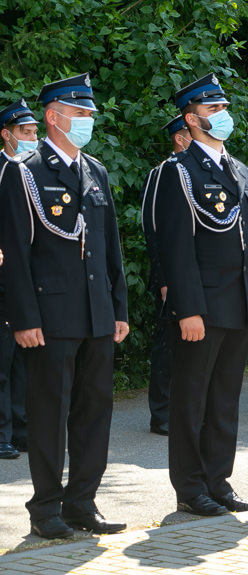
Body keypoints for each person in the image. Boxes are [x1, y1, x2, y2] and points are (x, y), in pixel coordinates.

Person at [0, 73, 129, 538]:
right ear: (53, 117)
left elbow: (110, 248)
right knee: (50, 414)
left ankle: (82, 504)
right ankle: (46, 509)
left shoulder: (95, 171)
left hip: (96, 314)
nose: (88, 121)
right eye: (80, 113)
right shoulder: (25, 171)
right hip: (49, 317)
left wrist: (119, 309)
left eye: (90, 114)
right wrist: (23, 318)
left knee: (95, 412)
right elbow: (14, 252)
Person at [154, 73, 248, 516]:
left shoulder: (240, 170)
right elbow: (176, 248)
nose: (222, 117)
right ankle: (190, 489)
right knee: (191, 401)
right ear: (192, 118)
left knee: (225, 399)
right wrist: (188, 308)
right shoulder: (179, 172)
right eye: (213, 110)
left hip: (240, 303)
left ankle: (218, 481)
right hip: (202, 308)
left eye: (224, 109)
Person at [140, 115, 191, 436]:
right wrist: (162, 280)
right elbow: (153, 230)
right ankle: (161, 413)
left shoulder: (198, 172)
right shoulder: (162, 174)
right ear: (179, 137)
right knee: (168, 347)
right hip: (170, 278)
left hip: (193, 277)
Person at [0, 99, 37, 460]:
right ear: (6, 135)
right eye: (25, 133)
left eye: (35, 132)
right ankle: (1, 434)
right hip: (2, 278)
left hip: (29, 276)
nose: (31, 138)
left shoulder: (35, 170)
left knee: (25, 360)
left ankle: (24, 430)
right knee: (2, 359)